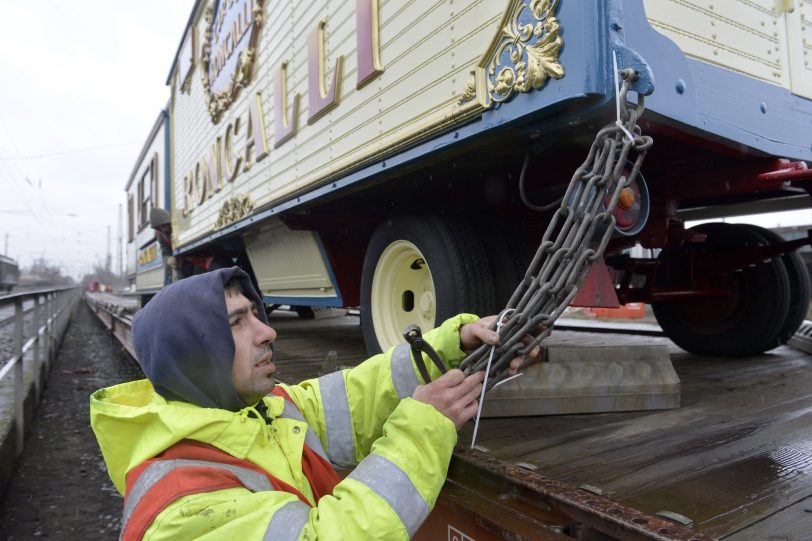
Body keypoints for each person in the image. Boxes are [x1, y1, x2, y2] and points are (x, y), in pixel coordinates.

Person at [90, 267, 534, 540]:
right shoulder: (184, 508)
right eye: (237, 322)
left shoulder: (261, 409)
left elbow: (360, 393)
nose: (268, 332)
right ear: (195, 354)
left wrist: (453, 342)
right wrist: (425, 428)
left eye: (255, 314)